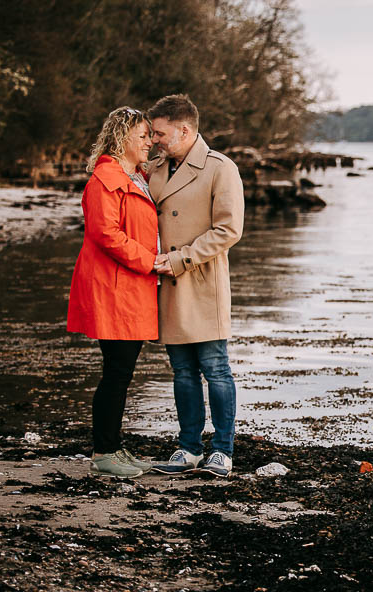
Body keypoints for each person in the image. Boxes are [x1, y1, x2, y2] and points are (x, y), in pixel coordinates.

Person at [147, 94, 244, 477]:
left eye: (160, 133)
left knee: (215, 368)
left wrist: (181, 259)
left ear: (184, 130)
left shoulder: (220, 168)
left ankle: (222, 451)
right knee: (182, 371)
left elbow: (228, 230)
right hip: (166, 283)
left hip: (201, 280)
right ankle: (188, 448)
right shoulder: (154, 169)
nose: (154, 140)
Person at [67, 107, 167, 478]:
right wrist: (150, 261)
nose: (149, 142)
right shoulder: (105, 179)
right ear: (122, 137)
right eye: (142, 136)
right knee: (117, 371)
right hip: (113, 287)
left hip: (129, 285)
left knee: (121, 372)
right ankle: (104, 452)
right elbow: (105, 233)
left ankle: (113, 446)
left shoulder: (135, 177)